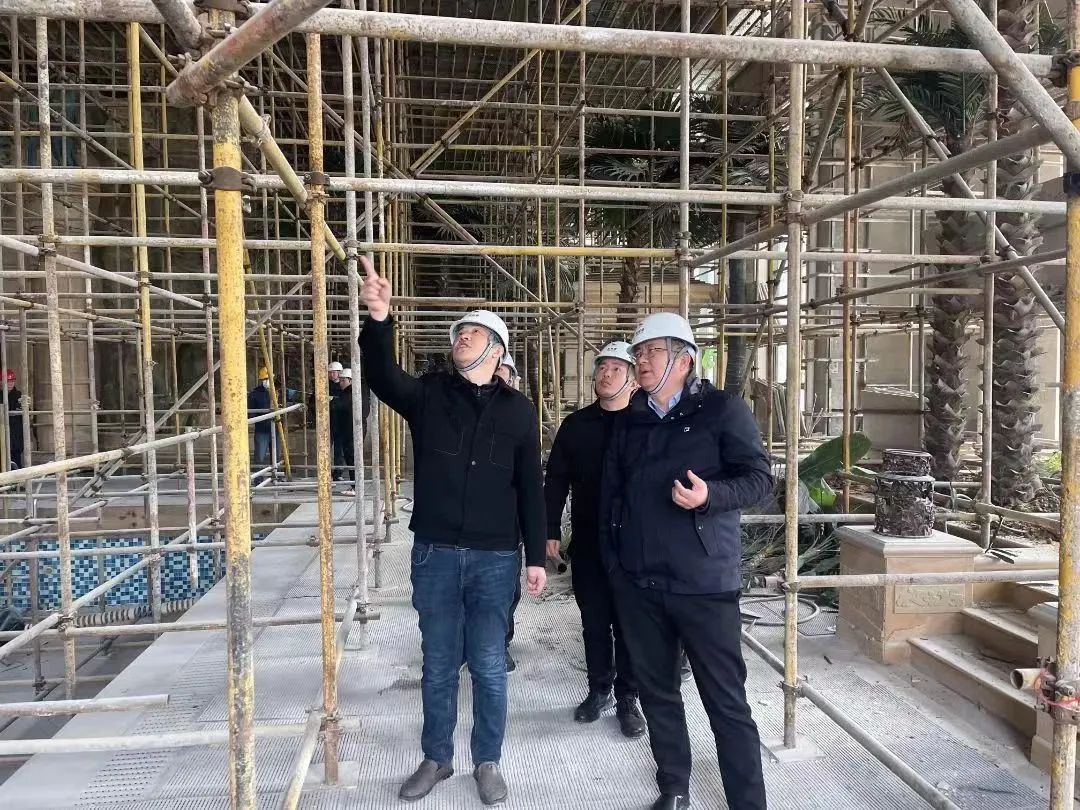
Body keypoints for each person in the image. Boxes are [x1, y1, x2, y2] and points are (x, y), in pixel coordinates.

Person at [360, 259, 546, 807]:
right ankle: (436, 758)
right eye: (459, 333)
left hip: (495, 558)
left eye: (473, 333)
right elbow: (381, 376)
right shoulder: (430, 395)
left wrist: (536, 557)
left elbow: (529, 488)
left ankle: (488, 761)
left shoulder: (519, 411)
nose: (461, 337)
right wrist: (379, 318)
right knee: (439, 664)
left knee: (488, 665)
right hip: (436, 554)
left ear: (496, 349)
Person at [600, 313, 772, 810]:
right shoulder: (630, 419)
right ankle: (674, 787)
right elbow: (611, 498)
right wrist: (616, 569)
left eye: (652, 351)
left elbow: (760, 480)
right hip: (641, 585)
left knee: (725, 702)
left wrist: (710, 497)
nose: (641, 361)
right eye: (638, 353)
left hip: (704, 584)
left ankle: (748, 803)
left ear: (684, 359)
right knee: (658, 694)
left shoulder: (722, 410)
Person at [545, 341, 646, 739]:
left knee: (630, 626)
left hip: (635, 547)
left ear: (633, 381)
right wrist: (549, 530)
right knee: (594, 624)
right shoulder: (576, 426)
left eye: (616, 369)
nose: (605, 373)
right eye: (602, 366)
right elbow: (556, 480)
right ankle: (599, 689)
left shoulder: (645, 425)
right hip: (588, 542)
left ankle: (628, 699)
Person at [495, 351, 523, 670]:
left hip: (509, 521)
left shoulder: (521, 413)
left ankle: (500, 642)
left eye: (505, 371)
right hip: (471, 522)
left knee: (508, 589)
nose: (500, 375)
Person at [247, 366, 273, 468]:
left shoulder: (278, 392)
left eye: (268, 379)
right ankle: (258, 476)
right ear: (261, 380)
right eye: (264, 379)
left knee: (276, 457)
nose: (266, 381)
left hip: (276, 428)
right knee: (259, 456)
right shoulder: (255, 394)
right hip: (262, 429)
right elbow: (251, 413)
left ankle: (277, 475)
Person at [4, 370, 24, 470]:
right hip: (3, 433)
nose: (10, 383)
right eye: (8, 381)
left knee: (16, 459)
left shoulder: (19, 396)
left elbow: (26, 413)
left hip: (16, 435)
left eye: (12, 381)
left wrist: (25, 407)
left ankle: (18, 479)